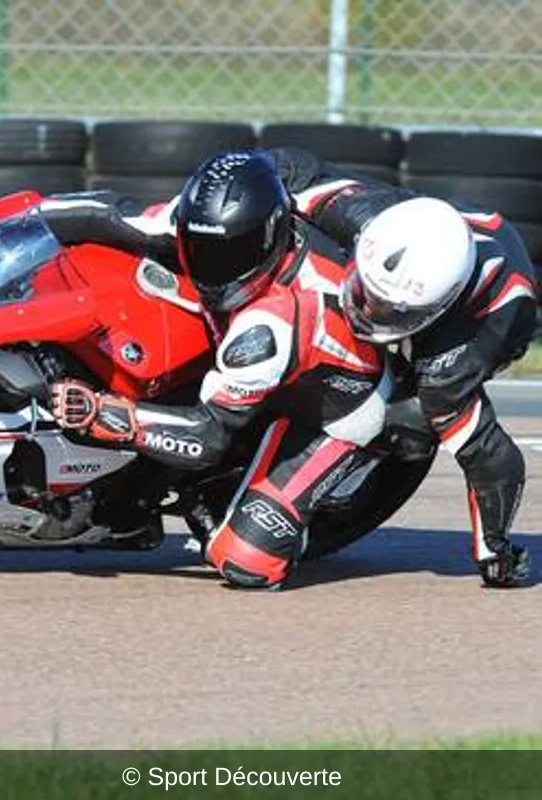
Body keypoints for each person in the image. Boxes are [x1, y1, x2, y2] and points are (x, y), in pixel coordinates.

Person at [35, 150, 392, 590]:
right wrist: (1, 220)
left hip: (335, 411)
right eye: (201, 249)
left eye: (231, 253)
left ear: (270, 237)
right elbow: (106, 214)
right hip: (256, 361)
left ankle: (293, 496)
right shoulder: (197, 226)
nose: (212, 266)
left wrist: (107, 415)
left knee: (246, 563)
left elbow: (206, 438)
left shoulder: (273, 324)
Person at [285, 159, 538, 588]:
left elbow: (492, 457)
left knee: (419, 418)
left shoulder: (463, 350)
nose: (366, 311)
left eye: (382, 308)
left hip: (482, 321)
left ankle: (344, 482)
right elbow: (290, 171)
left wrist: (494, 550)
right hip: (427, 236)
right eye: (367, 294)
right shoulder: (371, 216)